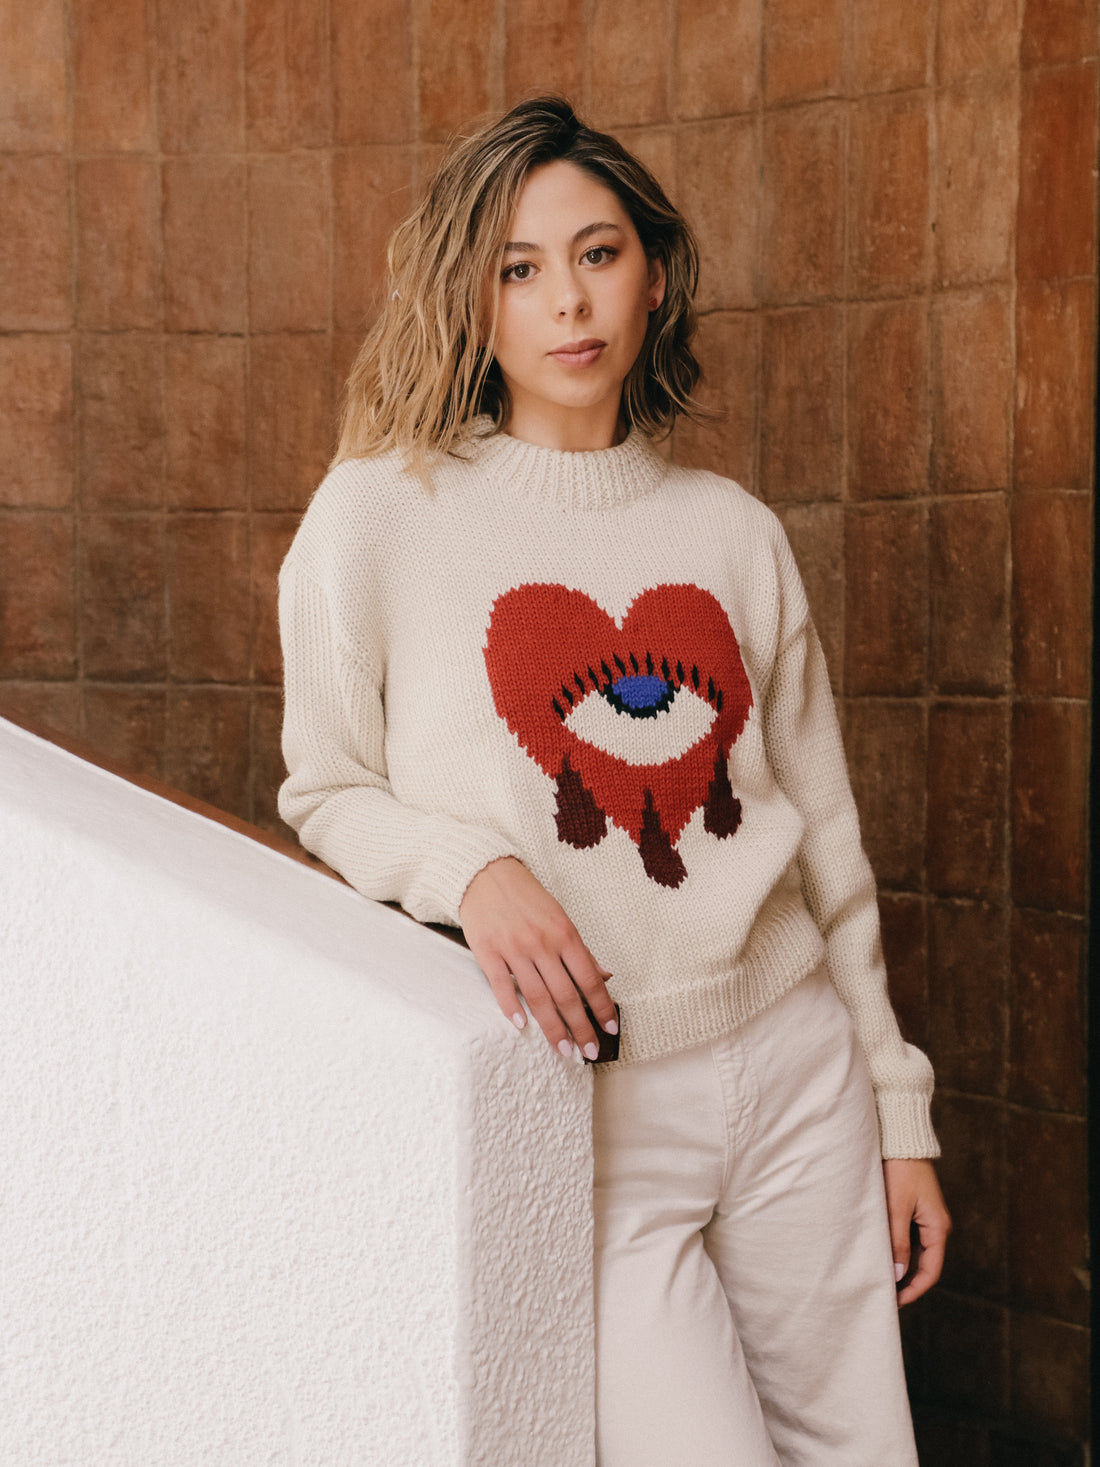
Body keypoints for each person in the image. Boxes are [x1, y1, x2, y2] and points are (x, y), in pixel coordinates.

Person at [278, 95, 950, 1466]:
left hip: (794, 1064)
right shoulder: (377, 515)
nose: (566, 302)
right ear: (472, 299)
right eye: (519, 268)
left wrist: (897, 1109)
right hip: (585, 1109)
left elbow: (825, 839)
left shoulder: (732, 533)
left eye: (597, 253)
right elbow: (326, 788)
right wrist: (476, 870)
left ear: (653, 275)